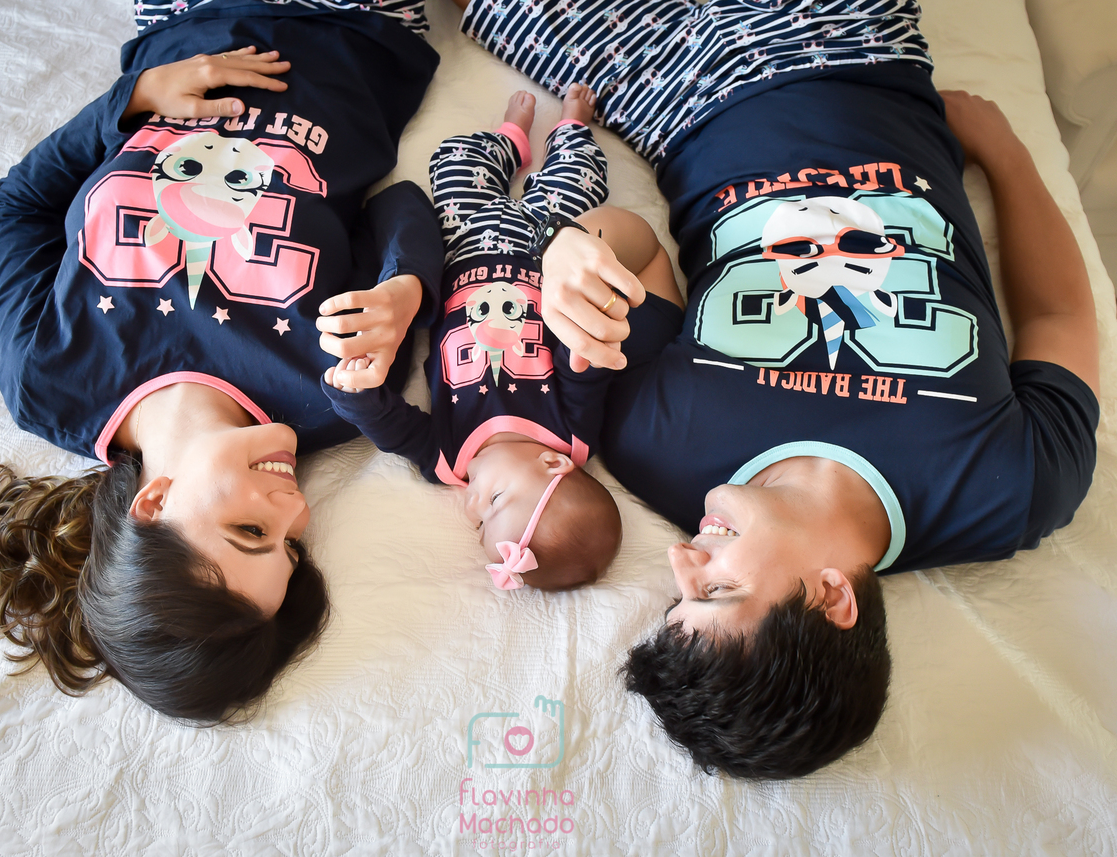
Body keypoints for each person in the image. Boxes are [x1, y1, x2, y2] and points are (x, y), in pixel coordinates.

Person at [453, 0, 1100, 777]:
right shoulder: (1014, 487)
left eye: (678, 594)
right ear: (831, 596)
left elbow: (639, 249)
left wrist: (573, 248)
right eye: (716, 590)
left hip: (675, 99)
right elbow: (1060, 315)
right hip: (848, 52)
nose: (681, 559)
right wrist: (1006, 154)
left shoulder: (656, 450)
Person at [0, 0, 443, 722]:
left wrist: (133, 99)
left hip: (183, 22)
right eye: (291, 546)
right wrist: (407, 289)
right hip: (351, 30)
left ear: (152, 504)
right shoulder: (341, 394)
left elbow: (20, 209)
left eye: (251, 531)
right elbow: (399, 205)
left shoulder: (47, 377)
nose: (296, 510)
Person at [323, 85, 682, 589]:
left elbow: (394, 428)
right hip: (546, 247)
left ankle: (507, 139)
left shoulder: (449, 461)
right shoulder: (571, 434)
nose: (472, 505)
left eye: (479, 525)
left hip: (463, 250)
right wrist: (584, 347)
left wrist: (355, 394)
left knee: (452, 162)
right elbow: (584, 369)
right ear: (552, 463)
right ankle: (571, 126)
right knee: (578, 177)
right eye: (494, 502)